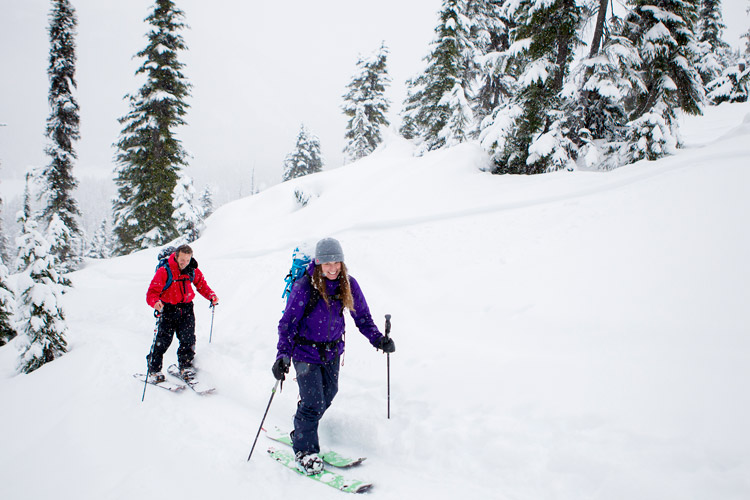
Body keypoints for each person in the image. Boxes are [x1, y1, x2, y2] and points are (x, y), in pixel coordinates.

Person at [272, 237, 395, 475]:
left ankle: (301, 430)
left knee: (328, 394)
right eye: (327, 263)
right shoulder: (305, 287)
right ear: (318, 263)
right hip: (305, 352)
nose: (332, 267)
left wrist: (378, 339)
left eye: (336, 262)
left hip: (332, 351)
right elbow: (287, 325)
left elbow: (363, 318)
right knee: (312, 401)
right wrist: (282, 355)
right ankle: (305, 451)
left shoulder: (348, 284)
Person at [146, 244, 218, 382]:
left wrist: (211, 296)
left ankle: (185, 365)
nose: (185, 263)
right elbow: (152, 292)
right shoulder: (164, 271)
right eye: (182, 260)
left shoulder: (192, 269)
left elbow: (201, 284)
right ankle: (154, 368)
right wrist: (155, 302)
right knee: (163, 341)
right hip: (168, 309)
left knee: (188, 338)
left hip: (186, 309)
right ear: (176, 256)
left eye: (187, 260)